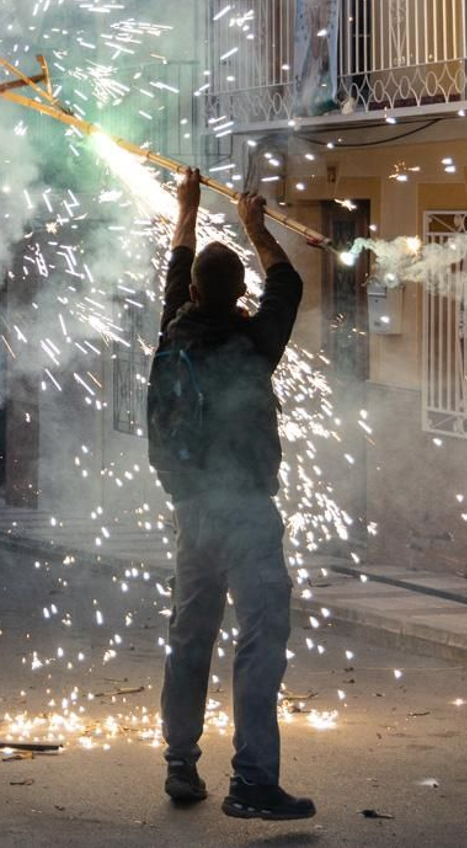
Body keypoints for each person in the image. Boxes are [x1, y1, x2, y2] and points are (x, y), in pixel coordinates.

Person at [149, 168, 312, 822]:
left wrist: (187, 208)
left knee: (191, 636)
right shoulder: (252, 343)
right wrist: (257, 229)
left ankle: (180, 762)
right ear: (240, 293)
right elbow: (289, 283)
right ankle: (252, 779)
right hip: (245, 510)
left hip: (192, 512)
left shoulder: (172, 334)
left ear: (191, 292)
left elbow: (178, 261)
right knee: (260, 637)